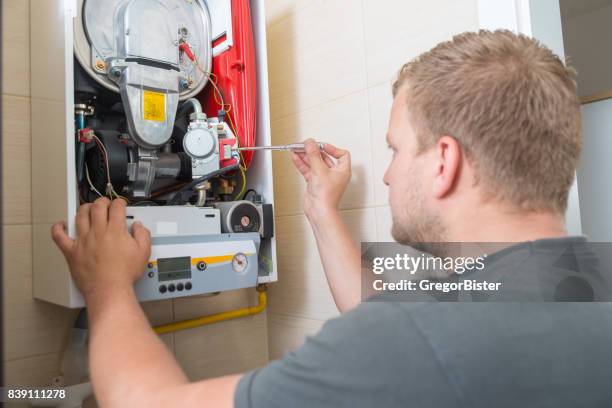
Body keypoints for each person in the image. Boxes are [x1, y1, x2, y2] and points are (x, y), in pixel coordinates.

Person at [51, 30, 612, 407]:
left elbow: (148, 403)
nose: (388, 175)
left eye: (396, 150)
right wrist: (321, 206)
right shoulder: (574, 281)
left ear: (444, 161)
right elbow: (380, 308)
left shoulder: (412, 342)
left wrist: (105, 286)